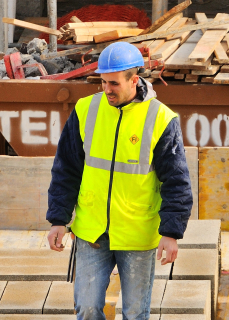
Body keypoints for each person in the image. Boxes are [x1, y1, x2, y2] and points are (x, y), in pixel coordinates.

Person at [45, 41, 193, 320]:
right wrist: (58, 220)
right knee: (87, 309)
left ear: (134, 79)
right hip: (92, 231)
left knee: (136, 313)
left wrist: (171, 233)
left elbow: (176, 182)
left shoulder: (160, 118)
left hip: (137, 235)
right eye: (103, 82)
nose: (106, 89)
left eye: (113, 83)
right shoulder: (85, 110)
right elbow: (65, 169)